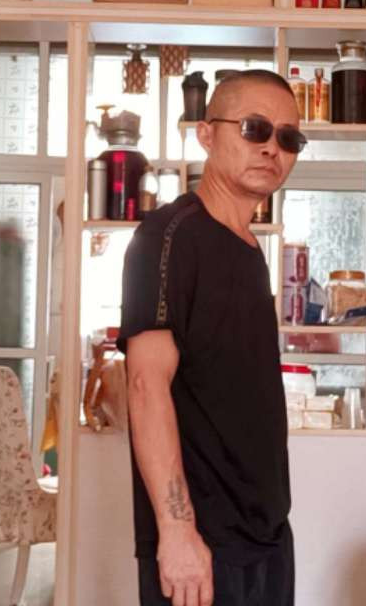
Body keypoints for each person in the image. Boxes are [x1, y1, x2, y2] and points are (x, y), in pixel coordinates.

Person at [118, 70, 305, 606]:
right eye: (254, 128)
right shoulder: (168, 236)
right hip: (202, 543)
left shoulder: (249, 249)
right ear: (206, 134)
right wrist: (177, 532)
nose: (271, 148)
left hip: (267, 534)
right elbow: (145, 387)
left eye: (288, 137)